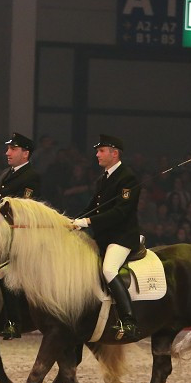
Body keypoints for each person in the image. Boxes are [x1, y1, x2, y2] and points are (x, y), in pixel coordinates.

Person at [70, 134, 142, 340]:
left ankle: (128, 320)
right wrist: (73, 221)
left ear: (114, 153)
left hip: (122, 237)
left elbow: (120, 212)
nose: (97, 155)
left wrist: (88, 223)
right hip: (103, 238)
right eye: (97, 151)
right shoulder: (103, 179)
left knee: (109, 270)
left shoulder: (128, 178)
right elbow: (93, 207)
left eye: (101, 151)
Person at [0, 132, 42, 339]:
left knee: (5, 271)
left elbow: (22, 209)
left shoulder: (32, 177)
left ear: (25, 153)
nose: (7, 153)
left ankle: (14, 321)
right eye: (8, 149)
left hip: (20, 236)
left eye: (12, 149)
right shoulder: (5, 174)